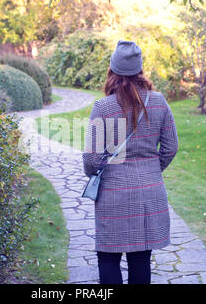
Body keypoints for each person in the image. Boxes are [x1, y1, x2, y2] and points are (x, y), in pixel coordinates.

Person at [82, 40, 179, 284]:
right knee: (140, 258)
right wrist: (151, 171)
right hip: (149, 194)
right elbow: (171, 148)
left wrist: (93, 174)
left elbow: (92, 158)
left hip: (113, 194)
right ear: (140, 69)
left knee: (108, 259)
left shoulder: (103, 107)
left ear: (112, 70)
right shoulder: (159, 102)